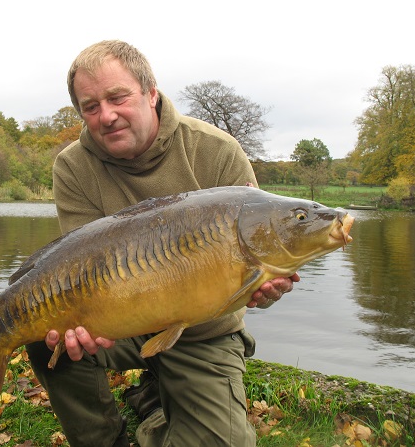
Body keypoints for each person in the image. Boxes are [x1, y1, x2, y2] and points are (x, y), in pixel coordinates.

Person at [22, 40, 299, 447]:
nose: (107, 115)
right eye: (91, 106)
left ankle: (156, 402)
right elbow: (75, 265)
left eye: (118, 97)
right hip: (119, 318)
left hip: (204, 330)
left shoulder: (218, 152)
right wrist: (75, 323)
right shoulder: (72, 166)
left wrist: (268, 291)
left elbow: (256, 262)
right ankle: (105, 439)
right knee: (43, 329)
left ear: (152, 93)